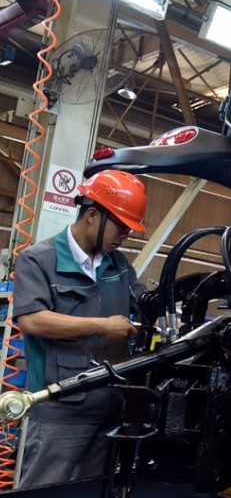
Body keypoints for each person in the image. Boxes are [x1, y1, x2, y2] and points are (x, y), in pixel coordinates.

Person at [12, 170, 146, 488]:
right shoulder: (38, 259)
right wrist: (102, 326)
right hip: (60, 407)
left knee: (95, 490)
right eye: (122, 226)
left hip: (111, 403)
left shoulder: (119, 265)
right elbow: (32, 319)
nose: (126, 234)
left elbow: (144, 306)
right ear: (91, 215)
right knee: (44, 489)